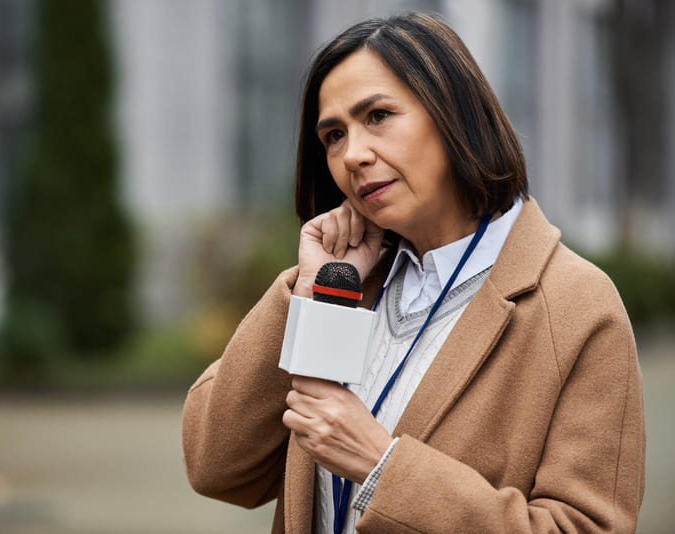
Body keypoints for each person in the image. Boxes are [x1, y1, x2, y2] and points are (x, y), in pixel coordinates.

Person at [182, 12, 645, 534]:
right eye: (333, 135)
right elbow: (217, 466)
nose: (352, 155)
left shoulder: (575, 305)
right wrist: (313, 294)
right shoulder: (351, 286)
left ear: (455, 115)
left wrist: (383, 467)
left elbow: (583, 526)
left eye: (377, 115)